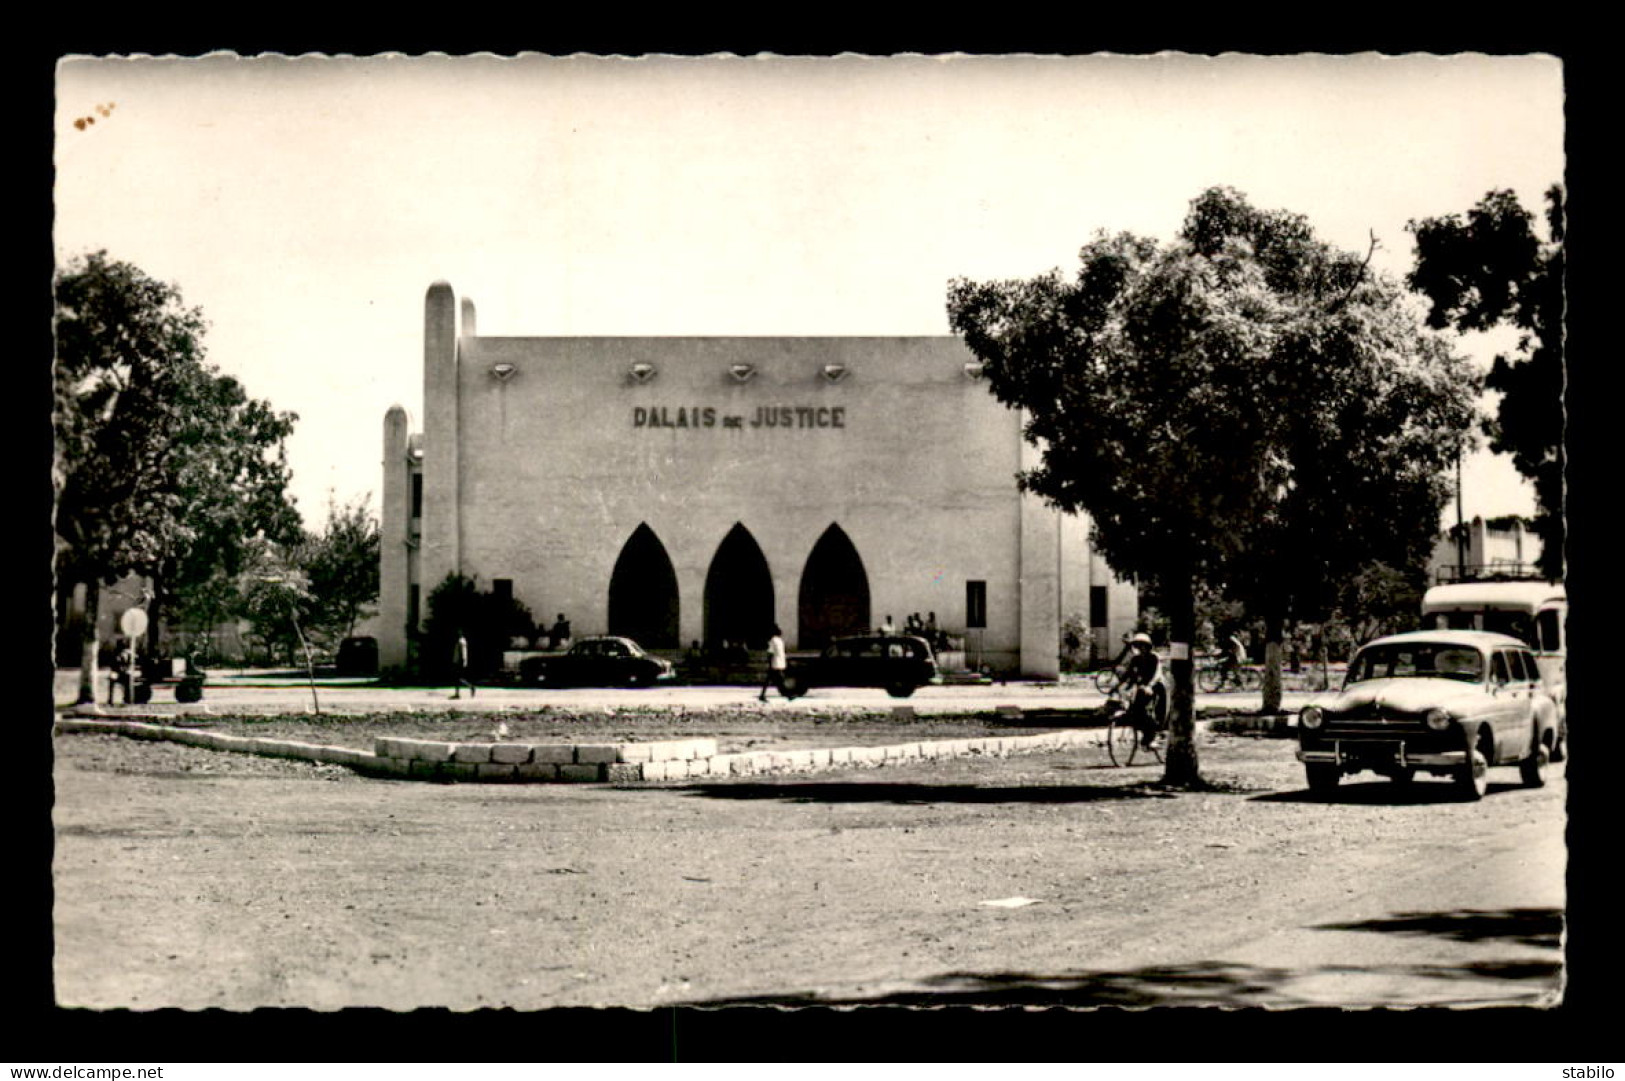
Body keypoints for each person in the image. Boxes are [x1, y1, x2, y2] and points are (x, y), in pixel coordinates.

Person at [1121, 632, 1162, 747]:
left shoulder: (1154, 658)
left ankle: (1152, 735)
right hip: (1142, 688)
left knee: (1148, 711)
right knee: (1134, 710)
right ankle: (1145, 732)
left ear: (1148, 646)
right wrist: (1118, 686)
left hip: (1155, 687)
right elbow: (1128, 675)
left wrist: (1150, 686)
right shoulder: (1136, 659)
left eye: (1143, 645)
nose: (1141, 648)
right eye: (1138, 646)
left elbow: (1157, 675)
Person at [758, 624, 793, 702]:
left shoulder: (774, 640)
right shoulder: (777, 640)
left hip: (776, 663)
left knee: (773, 680)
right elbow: (772, 653)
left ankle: (762, 695)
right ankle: (788, 695)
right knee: (780, 680)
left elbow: (771, 653)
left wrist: (770, 663)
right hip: (777, 663)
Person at [107, 636, 135, 707]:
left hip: (124, 672)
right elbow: (112, 664)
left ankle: (127, 698)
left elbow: (129, 664)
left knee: (128, 678)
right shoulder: (115, 653)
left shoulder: (127, 653)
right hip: (116, 672)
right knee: (112, 678)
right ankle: (110, 699)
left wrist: (125, 668)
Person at [451, 631, 476, 699]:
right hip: (458, 661)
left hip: (459, 662)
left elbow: (463, 652)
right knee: (458, 679)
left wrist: (462, 661)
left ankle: (470, 687)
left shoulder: (461, 641)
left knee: (458, 679)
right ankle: (457, 693)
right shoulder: (461, 641)